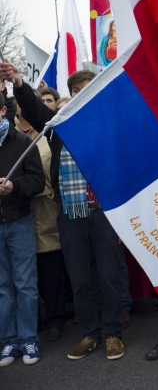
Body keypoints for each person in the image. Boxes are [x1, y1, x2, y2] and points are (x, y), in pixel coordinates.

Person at [1, 61, 126, 360]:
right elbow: (33, 109)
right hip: (70, 213)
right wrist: (18, 83)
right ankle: (89, 334)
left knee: (109, 275)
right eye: (75, 91)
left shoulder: (110, 126)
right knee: (79, 277)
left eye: (86, 90)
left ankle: (113, 333)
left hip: (103, 212)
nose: (81, 95)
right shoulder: (59, 125)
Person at [14, 102, 66, 342]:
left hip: (46, 206)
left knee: (50, 264)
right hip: (17, 208)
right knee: (21, 272)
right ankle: (30, 320)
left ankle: (56, 317)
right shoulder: (9, 134)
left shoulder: (46, 132)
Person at [0, 92, 45, 367]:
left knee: (25, 284)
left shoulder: (23, 142)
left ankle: (29, 338)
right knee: (3, 287)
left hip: (19, 221)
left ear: (3, 111)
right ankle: (9, 340)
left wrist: (13, 186)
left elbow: (38, 181)